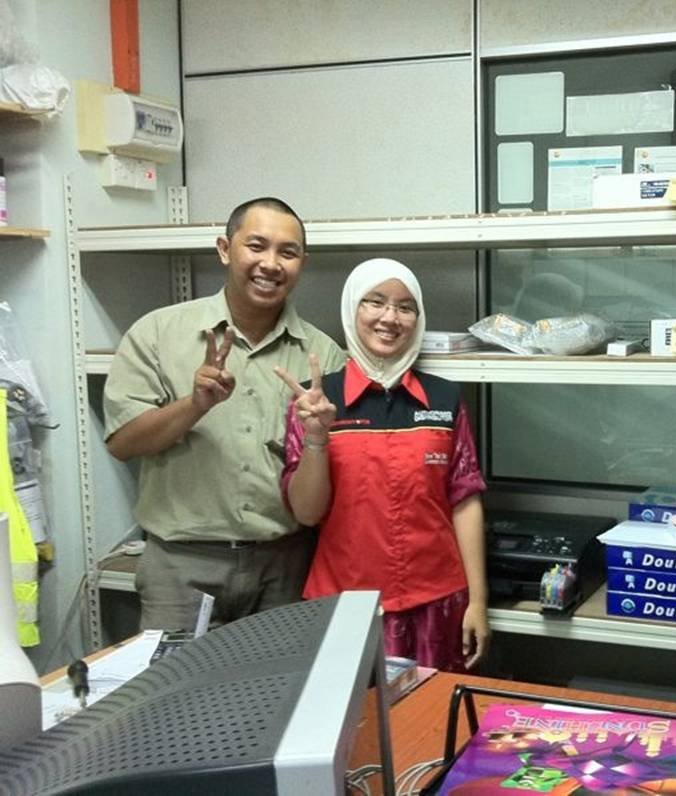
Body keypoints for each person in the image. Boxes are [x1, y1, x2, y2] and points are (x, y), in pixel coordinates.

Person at [103, 197, 346, 631]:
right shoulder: (159, 333)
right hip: (182, 566)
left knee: (280, 676)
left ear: (301, 264)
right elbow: (123, 443)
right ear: (224, 249)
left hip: (284, 565)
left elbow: (329, 475)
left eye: (287, 252)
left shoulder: (322, 355)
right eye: (256, 245)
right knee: (178, 678)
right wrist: (195, 405)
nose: (270, 263)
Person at [276, 257, 490, 671]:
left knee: (431, 708)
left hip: (437, 603)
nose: (390, 318)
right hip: (344, 604)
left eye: (405, 307)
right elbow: (307, 512)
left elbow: (464, 501)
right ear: (351, 309)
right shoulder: (316, 402)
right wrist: (317, 437)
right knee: (353, 712)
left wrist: (478, 602)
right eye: (375, 302)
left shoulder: (445, 399)